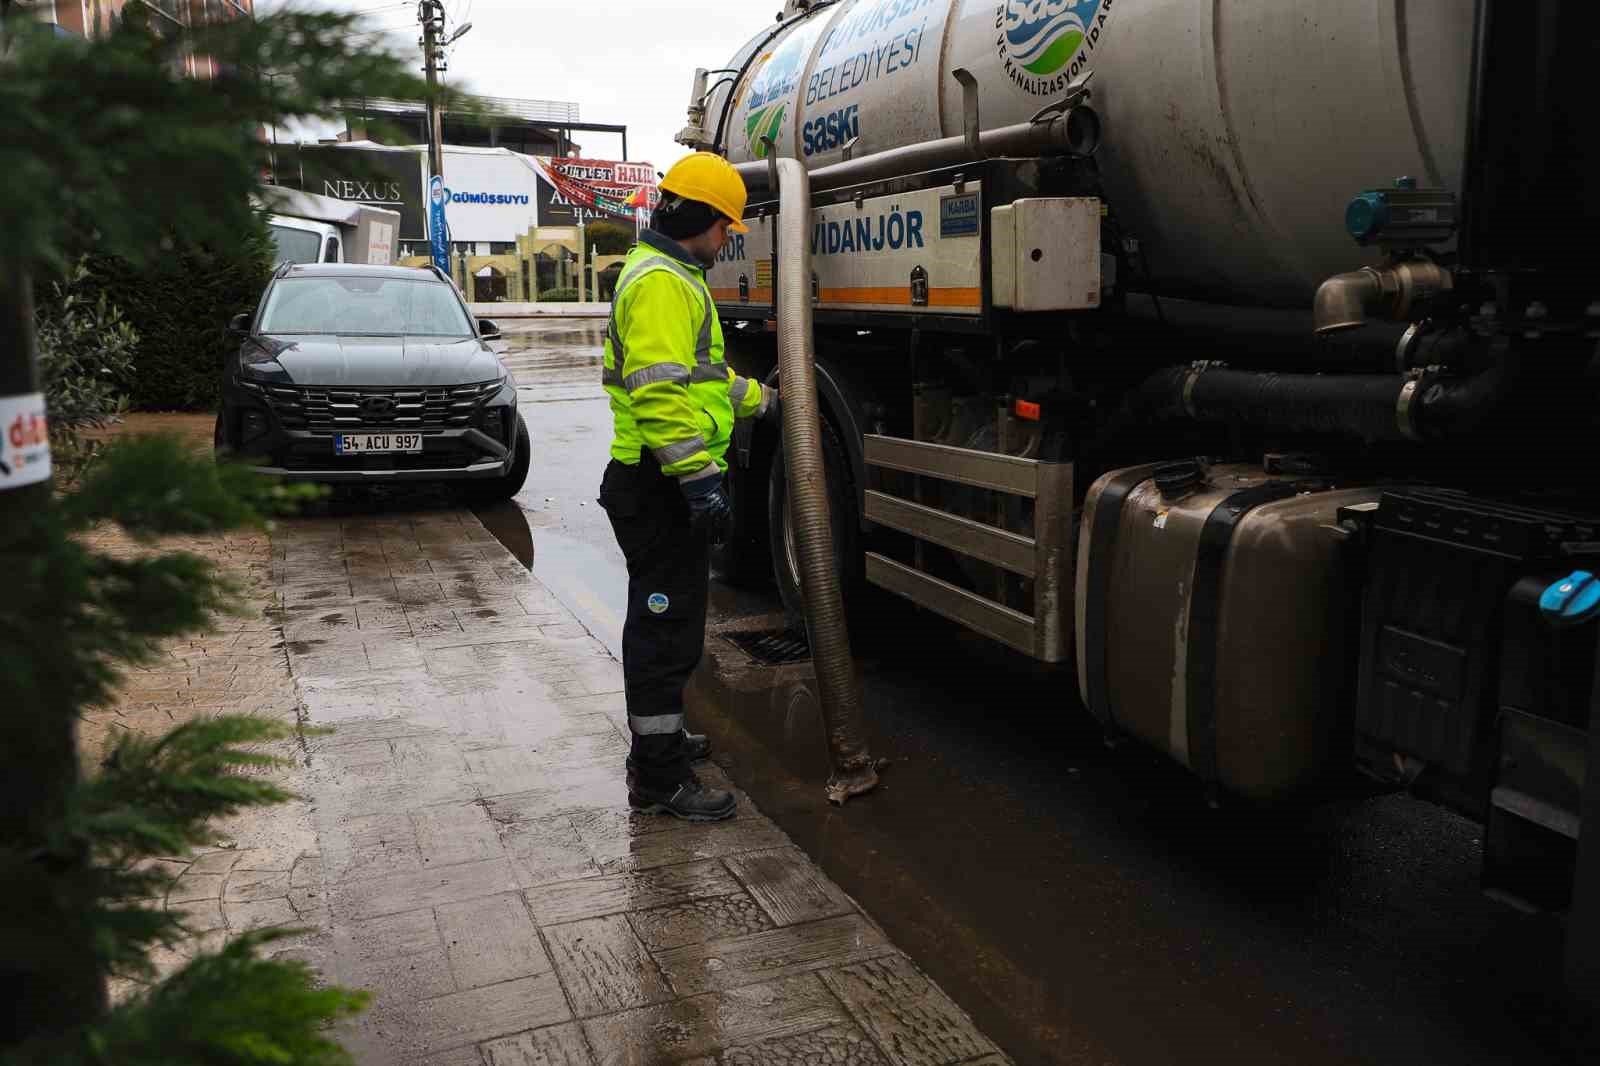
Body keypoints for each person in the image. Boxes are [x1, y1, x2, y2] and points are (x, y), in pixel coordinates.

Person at [598, 152, 779, 822]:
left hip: (658, 481)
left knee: (672, 625)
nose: (728, 237)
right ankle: (659, 781)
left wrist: (759, 398)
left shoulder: (671, 277)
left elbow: (699, 376)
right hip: (658, 484)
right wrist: (700, 481)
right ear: (700, 217)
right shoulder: (662, 284)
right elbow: (659, 399)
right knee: (662, 631)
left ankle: (664, 743)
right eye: (726, 226)